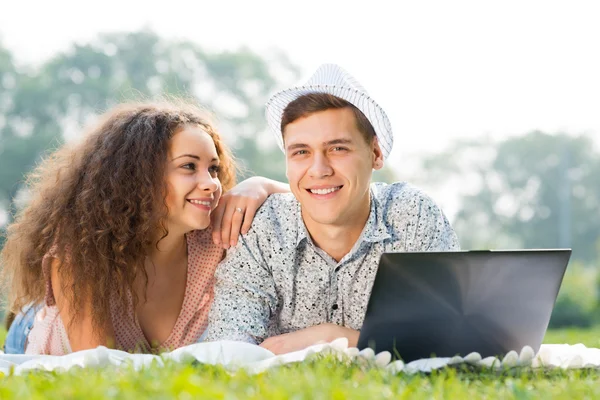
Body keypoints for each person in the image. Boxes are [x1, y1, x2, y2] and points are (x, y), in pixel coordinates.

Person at [205, 64, 461, 354]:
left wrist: (333, 339)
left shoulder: (412, 215)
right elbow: (228, 346)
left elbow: (449, 336)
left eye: (338, 148)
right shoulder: (263, 227)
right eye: (301, 152)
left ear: (375, 154)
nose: (319, 169)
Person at [1, 100, 288, 355]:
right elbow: (100, 367)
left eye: (213, 169)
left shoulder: (218, 240)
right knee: (30, 317)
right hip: (33, 334)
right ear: (137, 178)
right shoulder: (82, 256)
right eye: (189, 166)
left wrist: (261, 184)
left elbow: (318, 199)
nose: (212, 183)